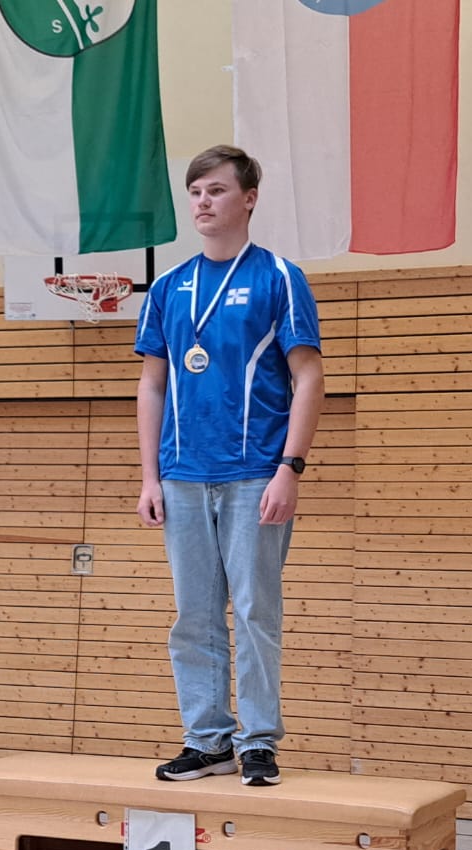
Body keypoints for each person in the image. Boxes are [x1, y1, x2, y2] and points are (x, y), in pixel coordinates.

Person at [134, 144, 324, 787]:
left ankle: (259, 741)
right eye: (195, 192)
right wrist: (149, 476)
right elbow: (152, 385)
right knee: (193, 616)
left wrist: (290, 467)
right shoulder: (168, 287)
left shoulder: (279, 277)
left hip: (254, 474)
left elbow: (309, 376)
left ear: (248, 199)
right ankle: (206, 739)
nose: (202, 202)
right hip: (183, 476)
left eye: (215, 190)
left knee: (253, 611)